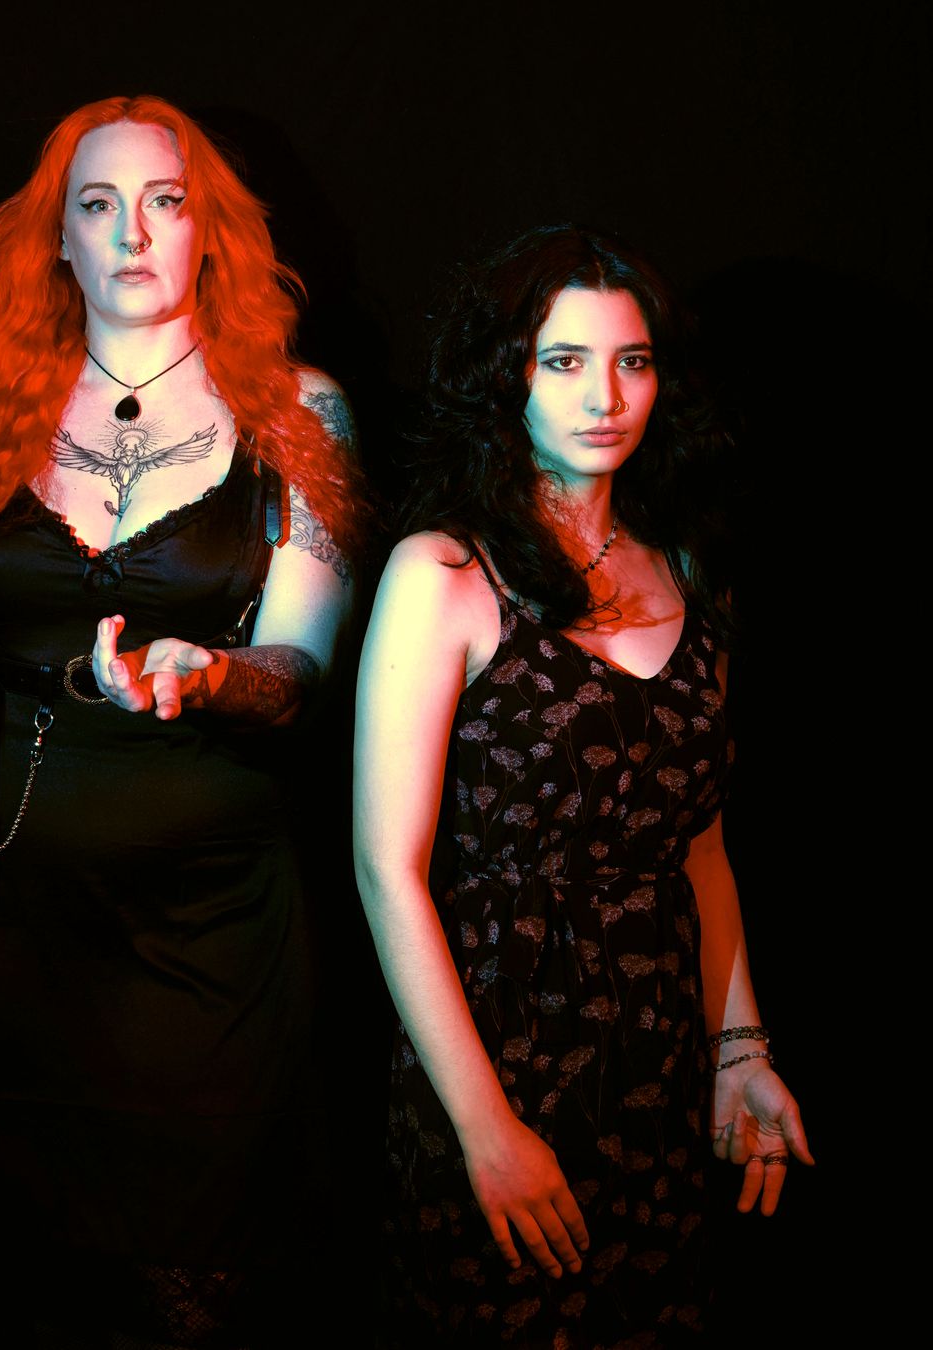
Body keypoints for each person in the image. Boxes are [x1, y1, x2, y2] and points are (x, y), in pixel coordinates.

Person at [0, 95, 362, 1346]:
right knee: (22, 1294)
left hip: (211, 947)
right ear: (55, 236)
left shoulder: (298, 412)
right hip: (13, 936)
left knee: (200, 1295)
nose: (132, 234)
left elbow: (301, 664)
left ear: (209, 228)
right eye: (97, 205)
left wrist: (207, 676)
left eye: (165, 202)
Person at [353, 225, 811, 1344]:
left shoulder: (690, 572)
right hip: (496, 1052)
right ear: (505, 378)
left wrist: (741, 1053)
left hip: (658, 1058)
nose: (604, 396)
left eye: (631, 360)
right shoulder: (445, 572)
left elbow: (700, 847)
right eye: (563, 361)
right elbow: (385, 868)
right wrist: (484, 1130)